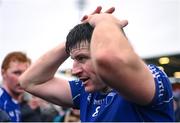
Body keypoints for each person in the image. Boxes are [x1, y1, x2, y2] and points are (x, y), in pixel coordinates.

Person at [19, 6, 175, 121]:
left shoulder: (153, 77)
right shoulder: (86, 92)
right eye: (73, 59)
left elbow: (108, 59)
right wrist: (74, 41)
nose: (74, 70)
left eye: (82, 58)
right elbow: (29, 81)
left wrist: (105, 21)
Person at [0, 51, 31, 122]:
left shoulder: (15, 102)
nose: (22, 78)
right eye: (17, 73)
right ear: (3, 73)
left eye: (26, 73)